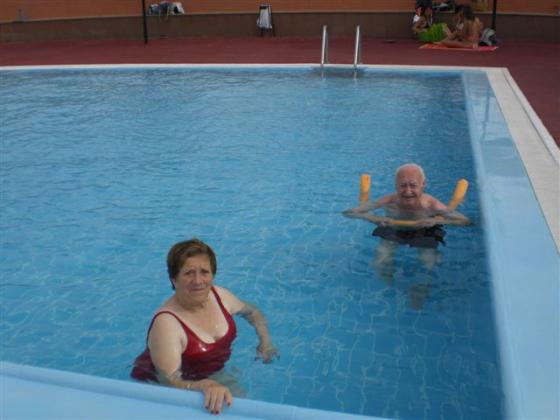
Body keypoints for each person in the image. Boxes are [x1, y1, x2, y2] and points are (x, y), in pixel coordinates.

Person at [131, 238, 278, 414]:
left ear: (212, 275)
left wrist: (265, 342)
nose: (198, 280)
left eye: (204, 272)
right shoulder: (167, 324)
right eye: (188, 273)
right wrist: (202, 386)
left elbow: (252, 312)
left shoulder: (220, 296)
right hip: (162, 389)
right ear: (174, 279)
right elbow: (169, 381)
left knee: (249, 412)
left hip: (212, 375)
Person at [342, 163, 469, 308]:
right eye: (403, 186)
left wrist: (435, 220)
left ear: (423, 185)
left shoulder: (431, 204)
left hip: (424, 231)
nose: (408, 191)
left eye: (413, 185)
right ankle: (389, 288)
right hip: (395, 229)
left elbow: (465, 221)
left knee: (427, 262)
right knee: (380, 261)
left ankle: (421, 288)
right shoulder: (389, 201)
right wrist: (374, 218)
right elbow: (349, 213)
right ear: (396, 185)